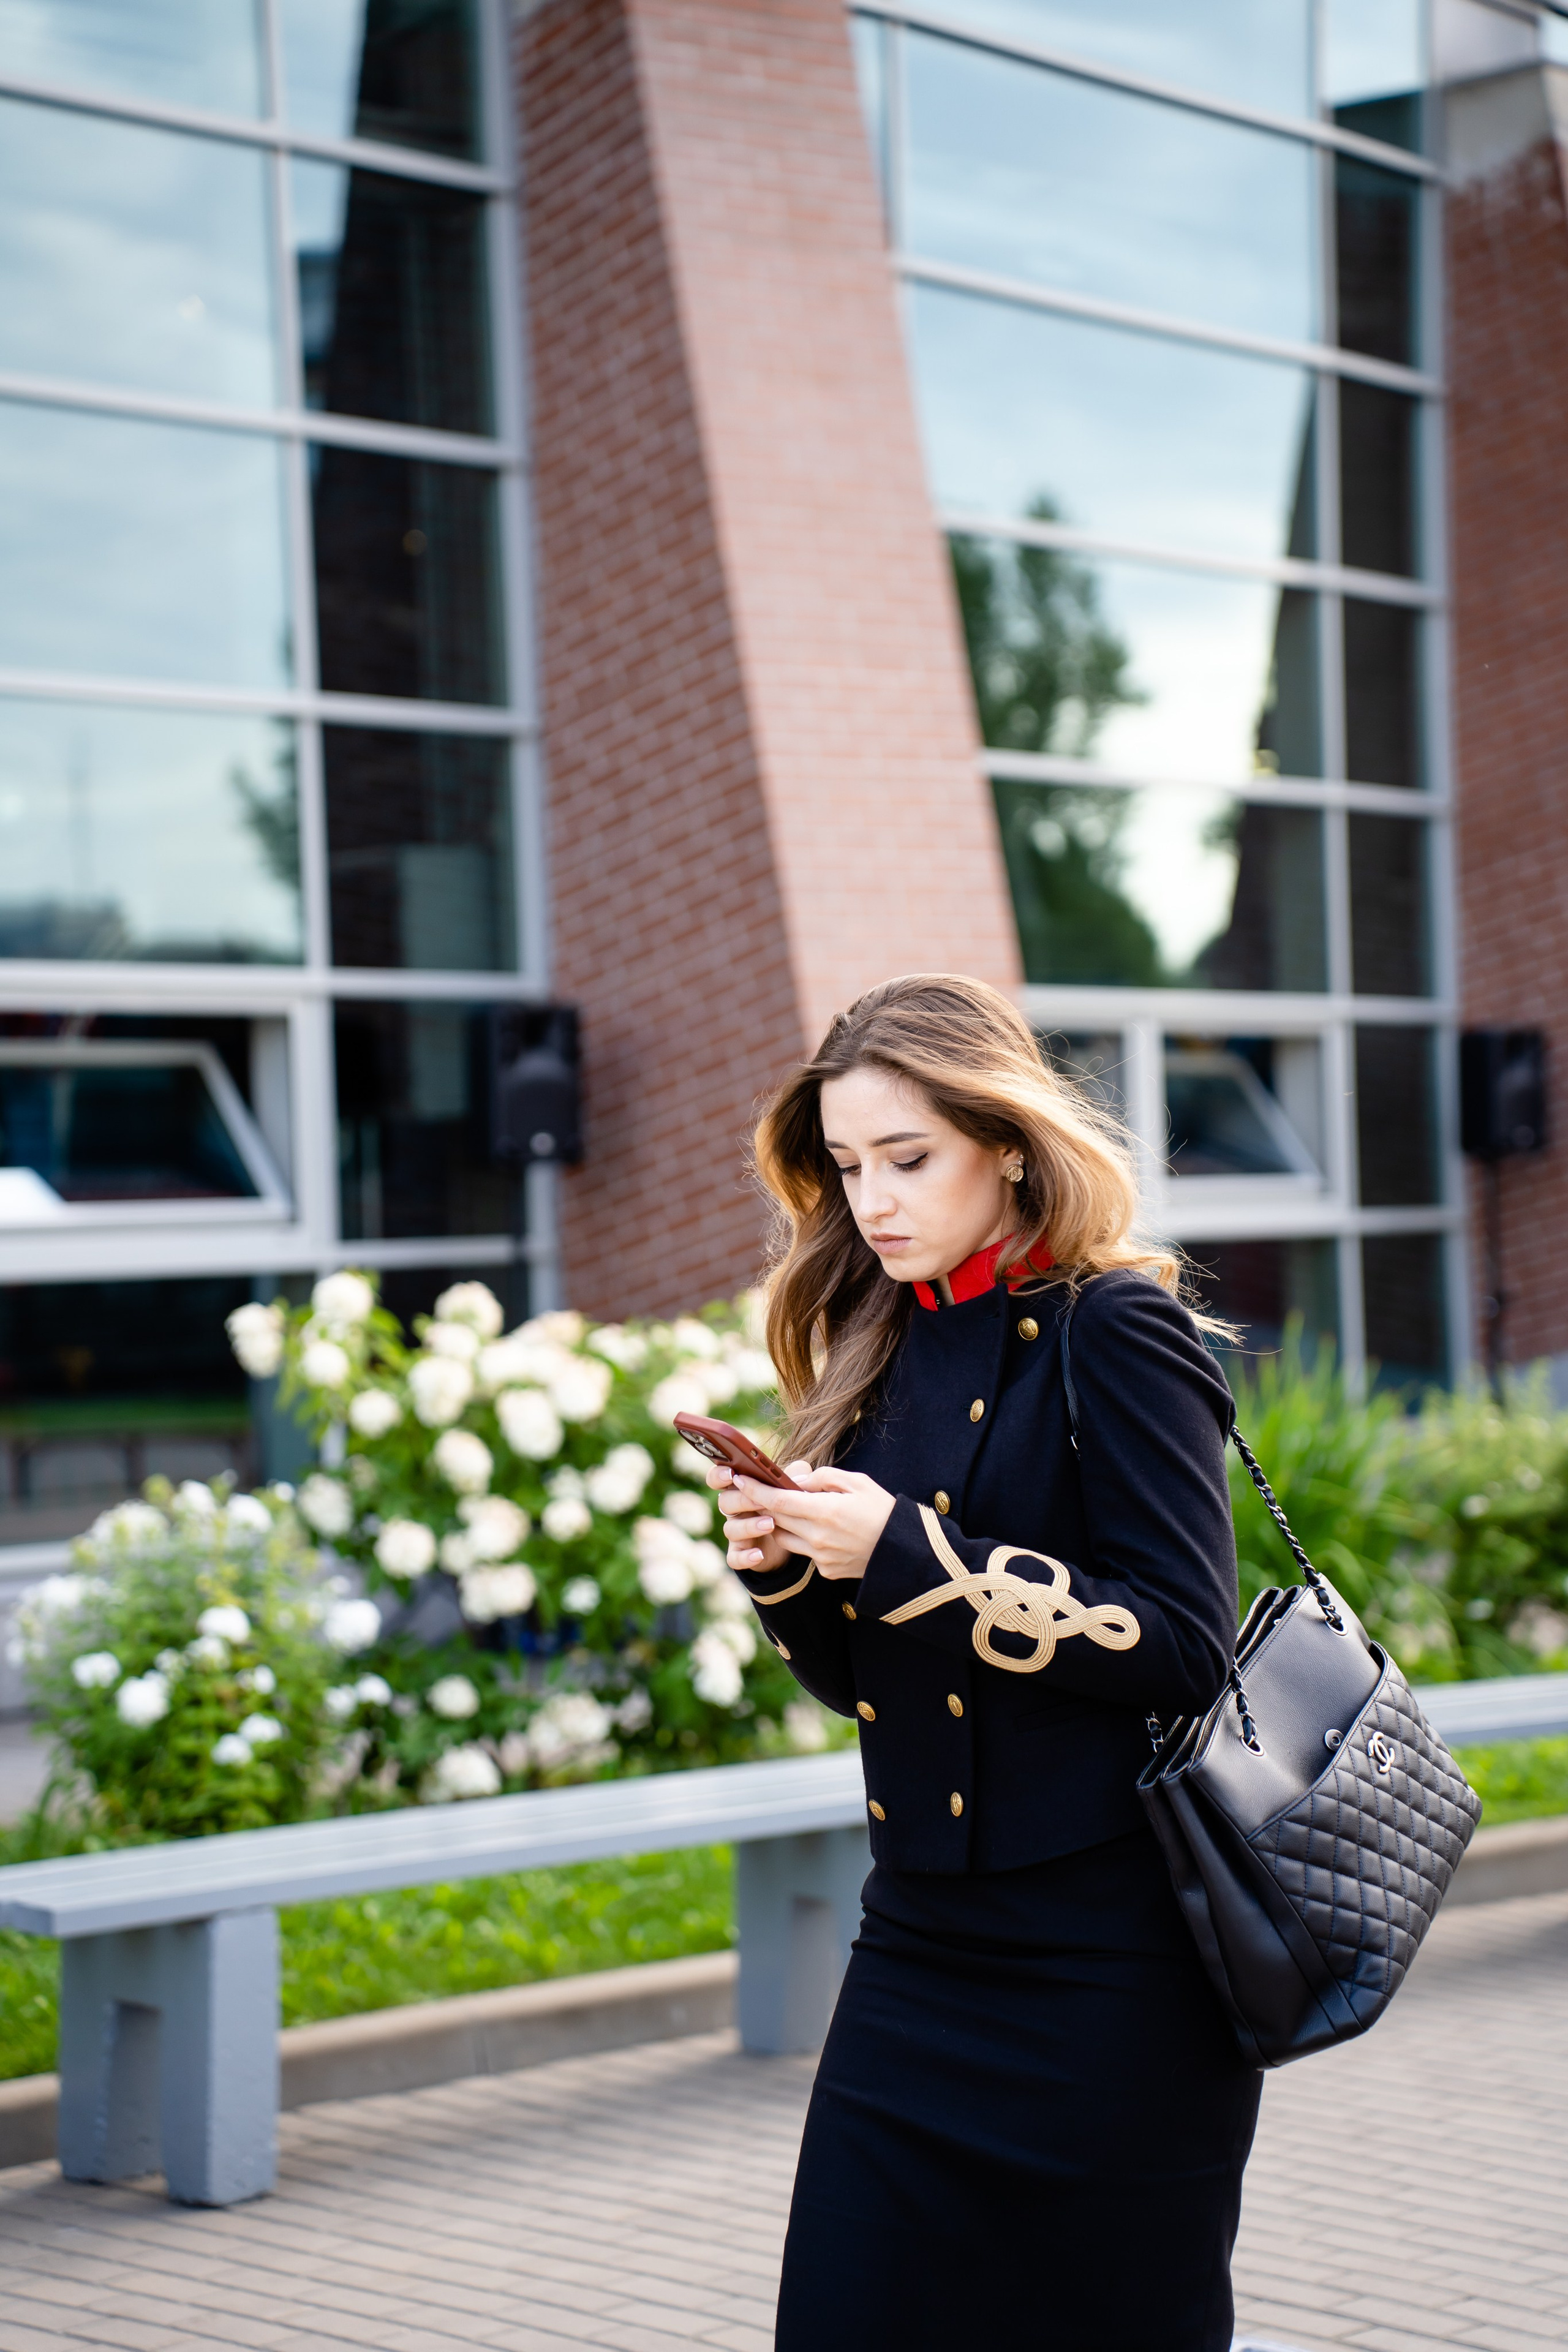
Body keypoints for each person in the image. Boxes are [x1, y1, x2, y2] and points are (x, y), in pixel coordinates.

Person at [709, 973, 1262, 2352]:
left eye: (909, 1159)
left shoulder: (1114, 1330)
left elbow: (1182, 1643)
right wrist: (790, 1572)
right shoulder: (877, 1341)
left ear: (1005, 1142)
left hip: (1116, 1967)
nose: (873, 1201)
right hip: (921, 1947)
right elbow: (867, 1685)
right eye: (845, 1167)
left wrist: (903, 1553)